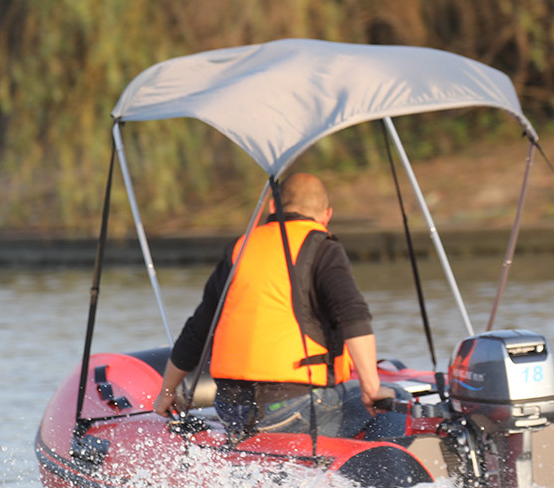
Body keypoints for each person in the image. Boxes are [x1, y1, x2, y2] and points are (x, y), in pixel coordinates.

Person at [153, 173, 399, 442]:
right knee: (396, 402)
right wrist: (372, 389)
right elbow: (354, 315)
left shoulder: (239, 249)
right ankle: (378, 480)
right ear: (326, 215)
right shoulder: (323, 248)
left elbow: (198, 329)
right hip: (295, 406)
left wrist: (167, 392)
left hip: (231, 407)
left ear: (273, 207)